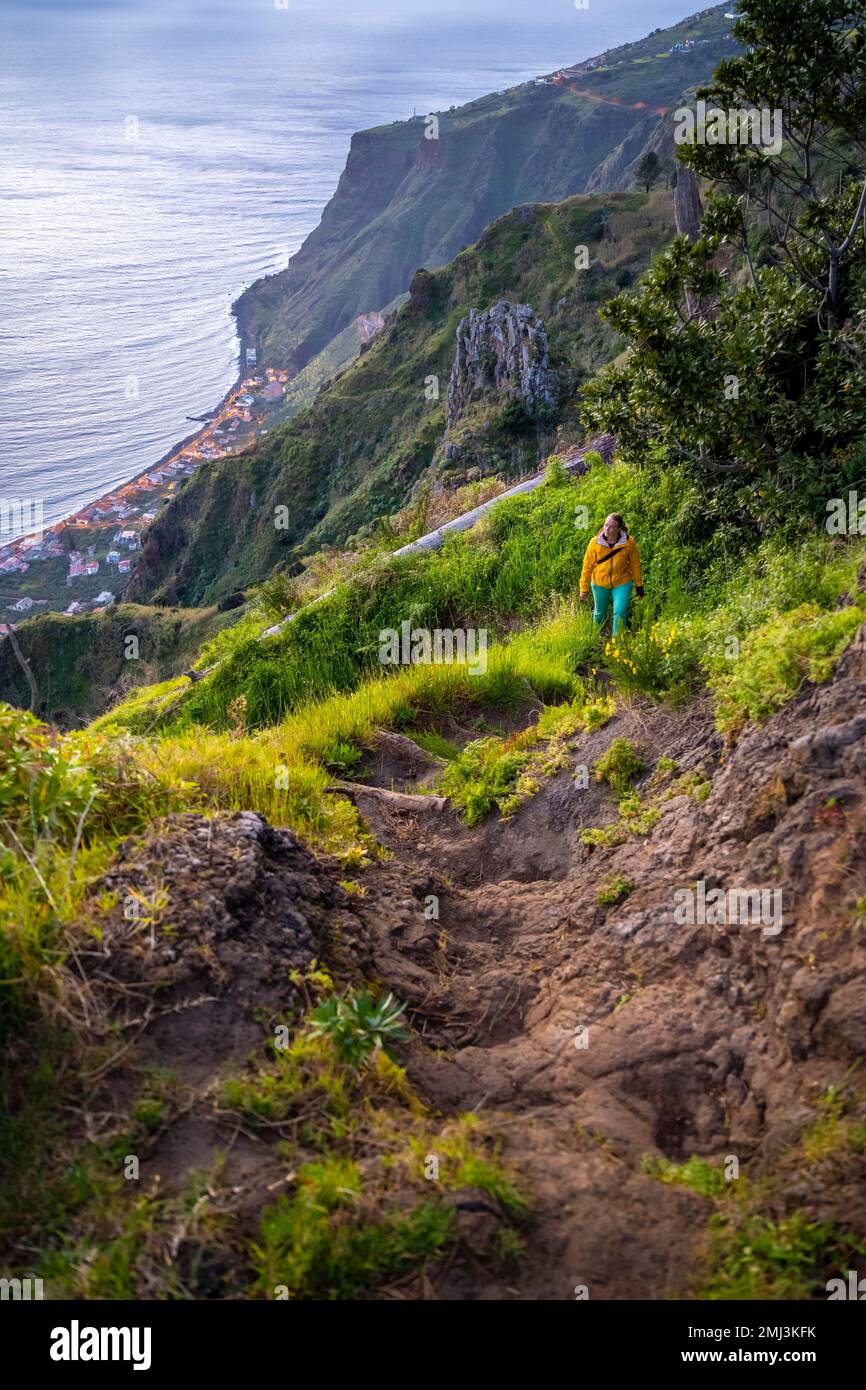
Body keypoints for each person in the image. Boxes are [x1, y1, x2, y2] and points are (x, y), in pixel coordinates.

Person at [579, 513, 643, 636]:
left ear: (619, 528)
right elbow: (587, 567)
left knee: (620, 612)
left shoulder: (629, 542)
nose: (606, 529)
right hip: (599, 582)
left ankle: (617, 645)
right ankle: (596, 639)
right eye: (605, 525)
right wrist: (583, 588)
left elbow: (635, 564)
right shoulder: (595, 542)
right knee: (599, 613)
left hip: (622, 582)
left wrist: (639, 586)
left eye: (611, 527)